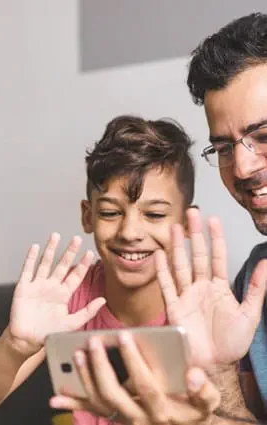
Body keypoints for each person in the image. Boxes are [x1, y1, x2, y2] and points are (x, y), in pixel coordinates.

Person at [49, 12, 267, 425]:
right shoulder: (250, 284)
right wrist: (209, 396)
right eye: (223, 147)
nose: (240, 167)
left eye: (264, 135)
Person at [0, 114, 220, 424]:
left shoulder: (206, 304)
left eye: (154, 214)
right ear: (88, 216)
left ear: (186, 223)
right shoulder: (72, 295)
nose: (130, 232)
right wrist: (16, 345)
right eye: (110, 212)